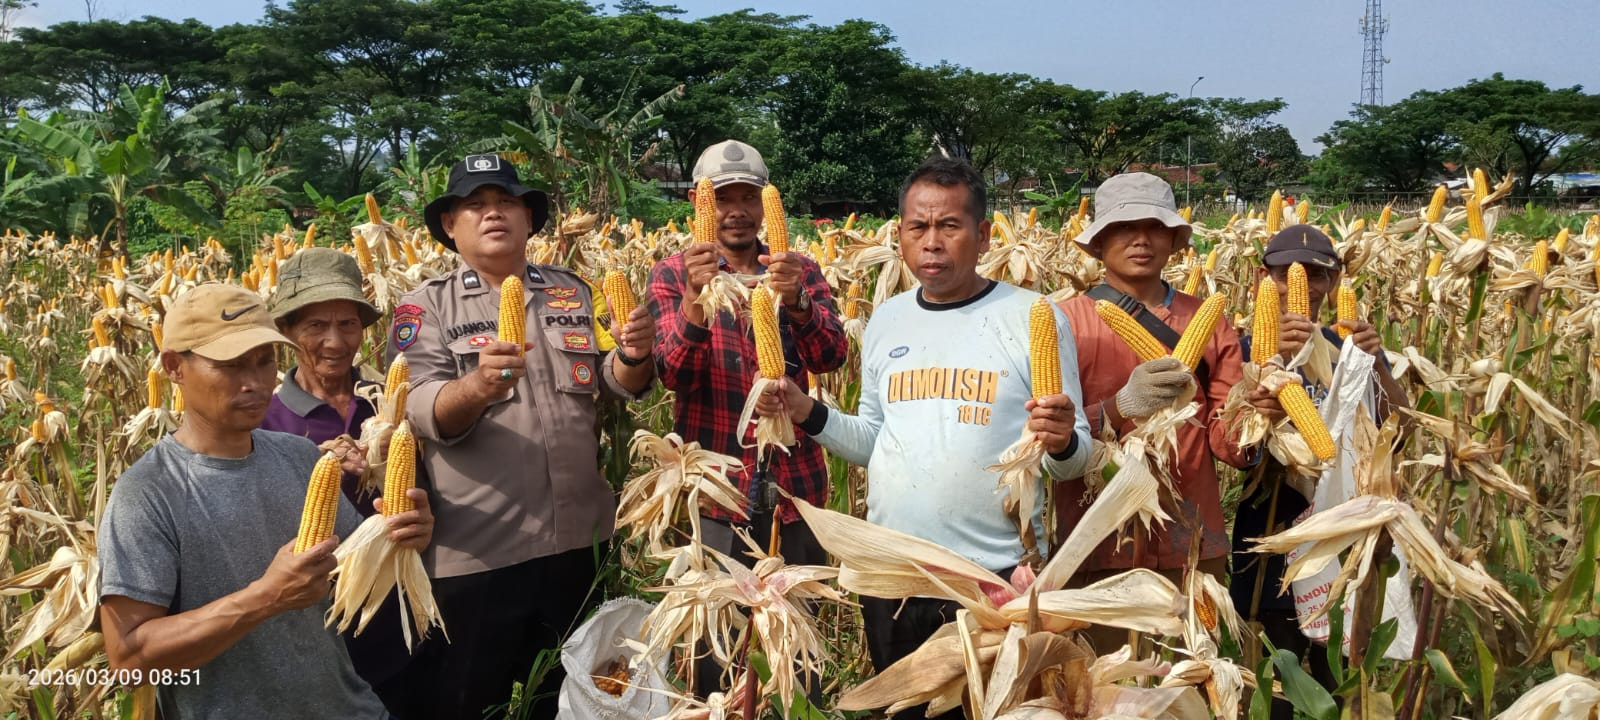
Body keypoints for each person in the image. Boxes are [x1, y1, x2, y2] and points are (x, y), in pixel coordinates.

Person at [759, 156, 1091, 720]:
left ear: (983, 236)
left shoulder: (1033, 317)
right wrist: (805, 410)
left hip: (993, 581)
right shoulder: (887, 319)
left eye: (949, 225)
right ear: (900, 235)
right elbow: (872, 441)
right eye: (918, 226)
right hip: (893, 575)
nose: (931, 241)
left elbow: (1071, 457)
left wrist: (1061, 442)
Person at [388, 153, 656, 719]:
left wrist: (634, 355)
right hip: (479, 552)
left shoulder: (571, 292)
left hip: (579, 544)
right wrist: (478, 386)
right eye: (476, 205)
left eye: (507, 202)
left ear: (529, 219)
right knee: (469, 704)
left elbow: (611, 384)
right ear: (449, 225)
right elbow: (416, 407)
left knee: (572, 702)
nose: (494, 213)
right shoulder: (425, 306)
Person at [97, 282, 433, 720]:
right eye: (232, 365)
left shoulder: (299, 456)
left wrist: (399, 538)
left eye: (264, 362)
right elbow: (128, 660)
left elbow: (353, 573)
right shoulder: (148, 492)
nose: (255, 383)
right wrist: (266, 597)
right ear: (175, 367)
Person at [1050, 172, 1253, 637]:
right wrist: (1120, 406)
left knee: (1193, 674)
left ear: (1173, 240)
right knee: (1100, 676)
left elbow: (1229, 442)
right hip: (1095, 540)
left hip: (1190, 541)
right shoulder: (1064, 321)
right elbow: (1048, 438)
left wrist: (1262, 413)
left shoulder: (1208, 320)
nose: (1141, 240)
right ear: (1099, 242)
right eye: (1124, 227)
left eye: (1155, 227)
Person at [1229, 224, 1409, 719]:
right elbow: (1231, 443)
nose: (1302, 285)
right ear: (1263, 278)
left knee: (1340, 676)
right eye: (1287, 274)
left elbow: (1399, 431)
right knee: (1276, 673)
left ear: (1334, 283)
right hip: (1271, 531)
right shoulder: (1241, 351)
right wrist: (1272, 371)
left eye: (1317, 275)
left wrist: (1377, 365)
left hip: (1343, 533)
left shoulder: (1349, 347)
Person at [646, 139, 846, 582]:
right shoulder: (671, 275)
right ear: (696, 201)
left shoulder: (799, 270)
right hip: (714, 492)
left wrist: (797, 300)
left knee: (797, 618)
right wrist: (695, 298)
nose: (738, 211)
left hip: (796, 489)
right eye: (722, 200)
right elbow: (674, 375)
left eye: (749, 197)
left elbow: (831, 357)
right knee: (716, 618)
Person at [260, 246, 411, 709]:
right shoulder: (264, 418)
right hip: (309, 624)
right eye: (315, 326)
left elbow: (425, 494)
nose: (335, 341)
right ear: (286, 331)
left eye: (348, 324)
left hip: (394, 614)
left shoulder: (389, 402)